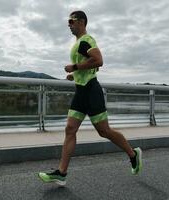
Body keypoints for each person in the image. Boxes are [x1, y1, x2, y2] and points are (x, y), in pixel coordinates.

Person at [38, 10, 142, 186]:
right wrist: (76, 73)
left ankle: (133, 154)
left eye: (71, 21)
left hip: (91, 90)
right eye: (68, 22)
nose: (69, 25)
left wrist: (74, 66)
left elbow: (99, 60)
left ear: (81, 22)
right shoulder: (79, 43)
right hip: (81, 91)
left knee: (104, 131)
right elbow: (91, 64)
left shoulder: (87, 40)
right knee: (70, 129)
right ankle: (61, 173)